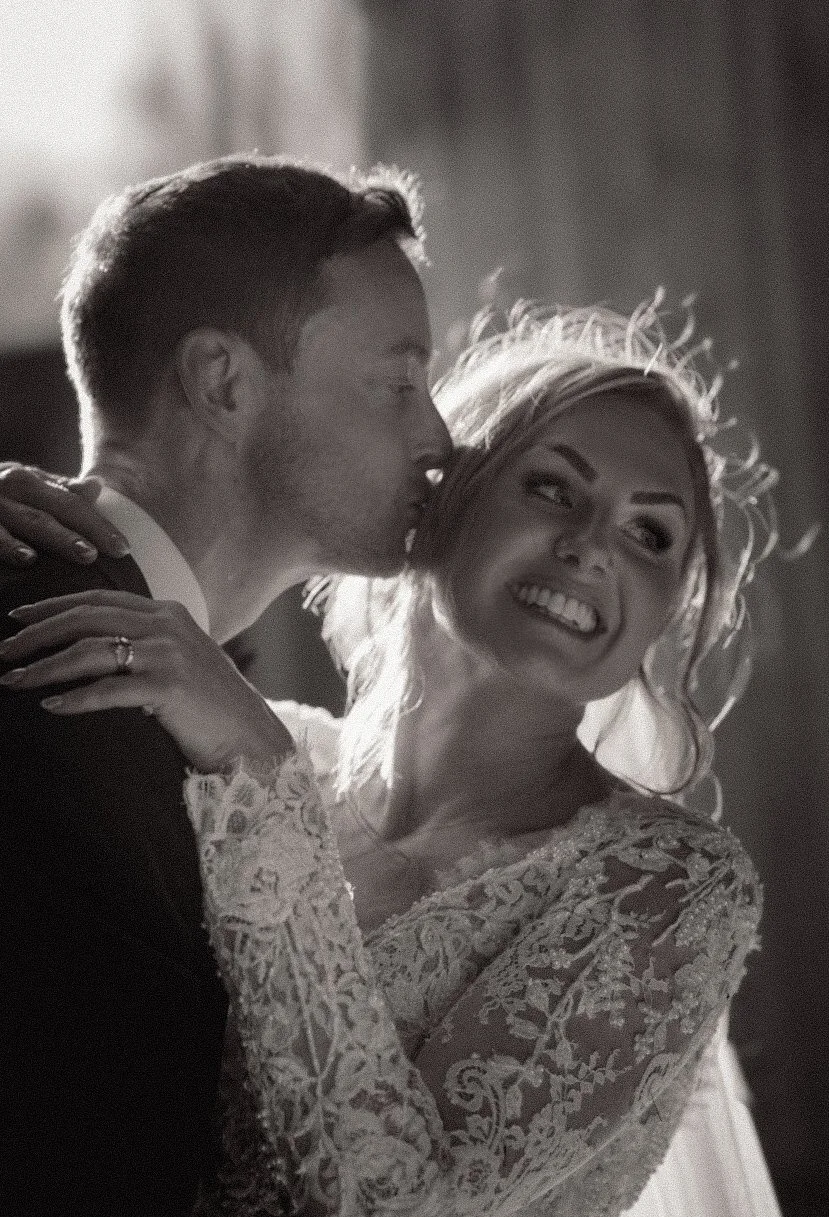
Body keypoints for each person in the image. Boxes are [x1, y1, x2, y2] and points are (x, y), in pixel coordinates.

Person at [0, 302, 783, 1216]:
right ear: (439, 496)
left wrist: (263, 783)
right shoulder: (235, 738)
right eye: (552, 488)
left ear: (666, 615)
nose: (590, 548)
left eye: (650, 536)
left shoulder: (670, 885)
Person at [0, 153, 452, 1217]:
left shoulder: (201, 702)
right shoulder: (36, 671)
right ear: (223, 381)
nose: (438, 439)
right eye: (398, 382)